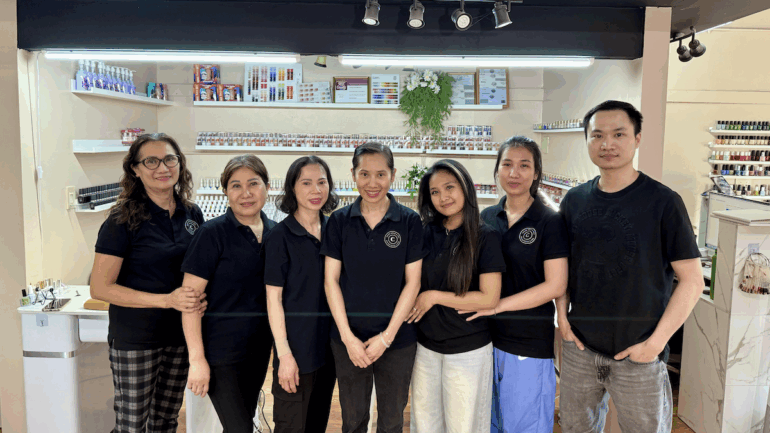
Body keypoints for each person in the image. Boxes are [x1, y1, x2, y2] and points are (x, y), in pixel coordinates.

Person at [556, 101, 703, 432]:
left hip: (640, 353)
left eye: (618, 134)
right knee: (576, 428)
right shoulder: (574, 200)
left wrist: (655, 344)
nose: (608, 144)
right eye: (598, 136)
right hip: (581, 348)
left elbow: (692, 280)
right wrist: (562, 319)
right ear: (588, 142)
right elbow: (563, 269)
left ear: (637, 138)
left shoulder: (663, 202)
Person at [90, 133, 206, 433]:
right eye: (150, 161)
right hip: (136, 340)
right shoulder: (121, 219)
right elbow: (100, 288)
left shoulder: (191, 213)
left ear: (180, 164)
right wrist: (167, 300)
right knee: (132, 424)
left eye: (169, 159)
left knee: (166, 421)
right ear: (135, 169)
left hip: (179, 337)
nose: (162, 167)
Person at [321, 142, 427, 433]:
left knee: (392, 419)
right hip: (348, 340)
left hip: (397, 341)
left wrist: (387, 338)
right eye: (364, 174)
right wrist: (347, 338)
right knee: (353, 419)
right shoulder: (339, 221)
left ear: (393, 175)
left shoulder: (409, 221)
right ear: (353, 175)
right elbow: (331, 280)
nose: (372, 183)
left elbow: (413, 282)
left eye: (381, 174)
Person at [472, 136, 569, 432]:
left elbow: (555, 285)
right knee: (491, 423)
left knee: (523, 425)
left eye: (524, 165)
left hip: (527, 342)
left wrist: (496, 305)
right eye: (508, 165)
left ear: (536, 172)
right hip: (486, 340)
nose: (514, 173)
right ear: (497, 170)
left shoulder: (549, 221)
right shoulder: (488, 216)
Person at [407, 159, 505, 433]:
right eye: (435, 192)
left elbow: (489, 298)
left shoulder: (485, 236)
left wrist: (434, 297)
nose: (443, 197)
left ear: (465, 187)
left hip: (468, 350)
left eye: (449, 187)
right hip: (426, 347)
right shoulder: (426, 232)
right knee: (425, 423)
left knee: (464, 425)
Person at [180, 154, 276, 433]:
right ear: (225, 191)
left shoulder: (274, 233)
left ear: (267, 186)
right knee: (240, 428)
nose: (246, 193)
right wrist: (197, 360)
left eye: (253, 183)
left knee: (243, 421)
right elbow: (190, 302)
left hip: (258, 351)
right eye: (236, 185)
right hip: (220, 354)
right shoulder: (212, 235)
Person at [264, 156, 339, 432]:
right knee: (291, 425)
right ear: (292, 189)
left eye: (322, 182)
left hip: (329, 351)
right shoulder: (280, 236)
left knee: (317, 423)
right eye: (306, 183)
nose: (316, 190)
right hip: (296, 352)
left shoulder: (334, 228)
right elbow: (274, 300)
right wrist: (283, 355)